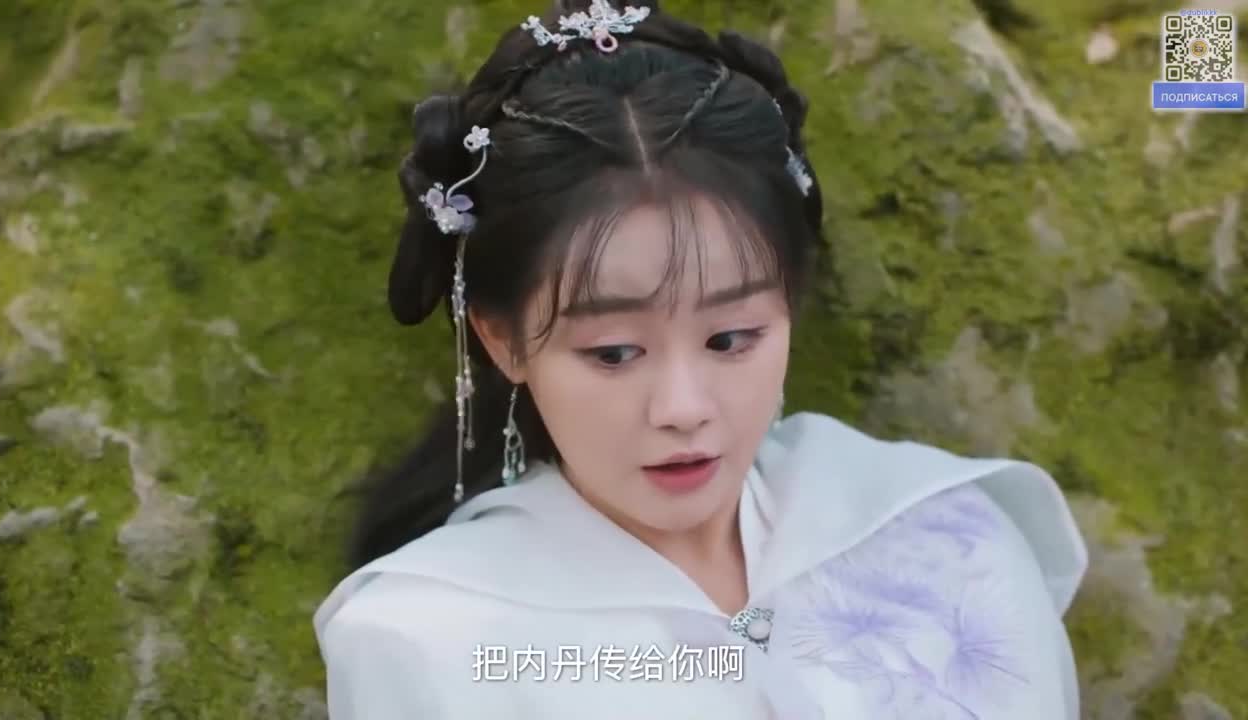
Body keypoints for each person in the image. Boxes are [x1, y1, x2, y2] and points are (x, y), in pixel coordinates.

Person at [313, 1, 1089, 717]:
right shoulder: (428, 637)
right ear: (501, 339)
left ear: (788, 305)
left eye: (730, 339)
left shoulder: (944, 536)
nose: (683, 408)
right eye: (615, 352)